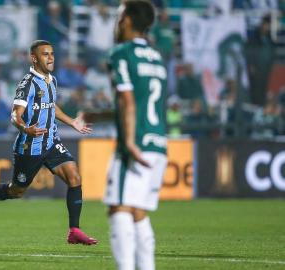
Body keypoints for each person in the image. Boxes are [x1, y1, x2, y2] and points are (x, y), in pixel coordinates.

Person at [0, 40, 98, 245]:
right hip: (30, 145)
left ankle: (74, 230)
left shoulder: (51, 80)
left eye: (52, 53)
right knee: (16, 191)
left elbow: (51, 107)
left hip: (51, 142)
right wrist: (26, 128)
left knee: (74, 177)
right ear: (34, 58)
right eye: (45, 54)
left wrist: (72, 122)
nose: (51, 57)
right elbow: (14, 115)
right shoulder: (27, 83)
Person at [104, 1, 167, 269]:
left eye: (119, 15)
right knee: (138, 211)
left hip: (135, 142)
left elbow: (128, 101)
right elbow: (140, 103)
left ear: (127, 20)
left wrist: (128, 141)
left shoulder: (121, 54)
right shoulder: (156, 56)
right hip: (157, 142)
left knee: (119, 207)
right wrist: (99, 115)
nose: (116, 22)